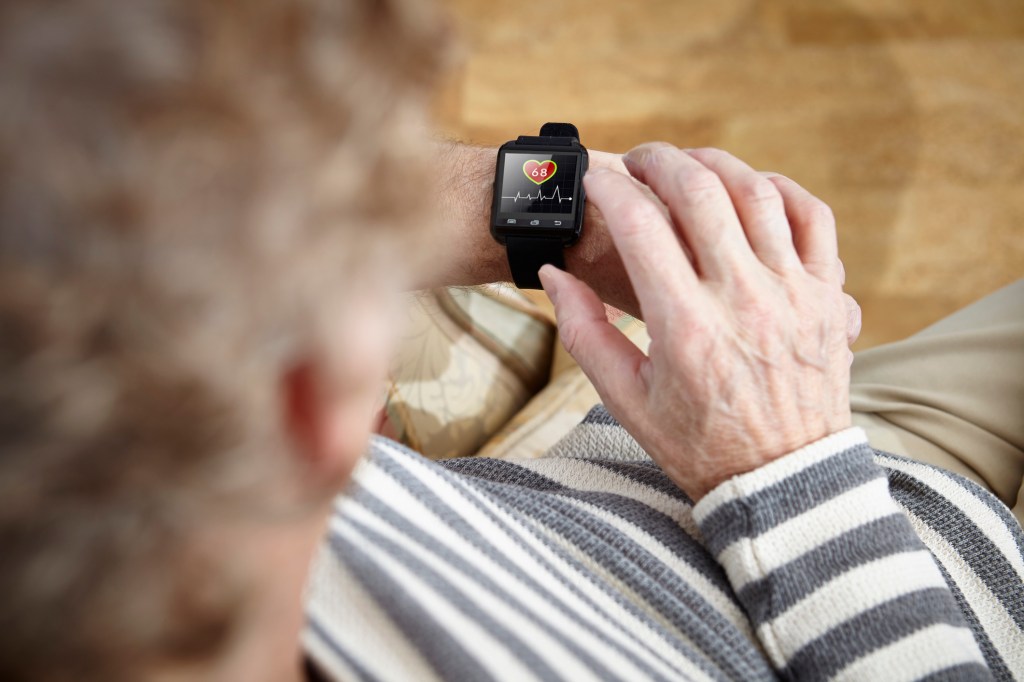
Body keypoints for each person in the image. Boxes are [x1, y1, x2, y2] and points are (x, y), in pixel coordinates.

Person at [0, 1, 1020, 681]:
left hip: (727, 446)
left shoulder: (109, 472)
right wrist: (786, 468)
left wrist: (547, 207)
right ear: (315, 406)